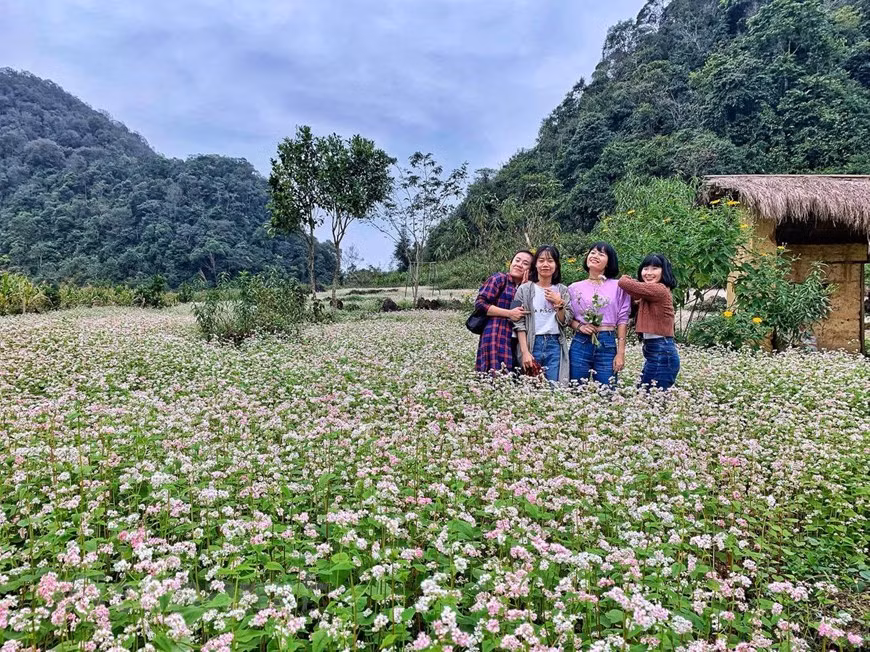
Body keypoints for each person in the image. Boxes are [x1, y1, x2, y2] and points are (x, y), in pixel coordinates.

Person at [567, 242, 630, 387]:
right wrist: (580, 327)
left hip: (607, 342)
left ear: (609, 262)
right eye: (593, 252)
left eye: (601, 254)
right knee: (576, 390)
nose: (595, 256)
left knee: (607, 392)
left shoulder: (619, 286)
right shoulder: (573, 288)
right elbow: (568, 318)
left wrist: (620, 353)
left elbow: (622, 319)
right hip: (580, 342)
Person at [618, 253, 680, 390]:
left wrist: (625, 277)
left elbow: (624, 283)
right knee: (648, 396)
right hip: (656, 350)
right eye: (645, 268)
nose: (649, 273)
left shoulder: (660, 289)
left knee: (650, 397)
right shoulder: (648, 295)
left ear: (664, 271)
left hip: (662, 352)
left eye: (655, 268)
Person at [512, 245, 573, 383]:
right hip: (532, 343)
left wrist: (559, 304)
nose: (545, 264)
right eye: (541, 260)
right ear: (535, 264)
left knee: (554, 388)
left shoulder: (563, 290)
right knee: (530, 388)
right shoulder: (523, 289)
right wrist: (525, 352)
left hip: (555, 344)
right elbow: (517, 322)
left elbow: (566, 321)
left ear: (556, 265)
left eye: (550, 261)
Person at [474, 250, 534, 374]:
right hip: (497, 335)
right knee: (495, 377)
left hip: (518, 340)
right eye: (517, 260)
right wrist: (509, 313)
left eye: (525, 263)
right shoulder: (500, 279)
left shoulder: (529, 288)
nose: (519, 264)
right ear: (510, 263)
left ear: (530, 269)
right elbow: (480, 304)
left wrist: (523, 289)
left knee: (516, 378)